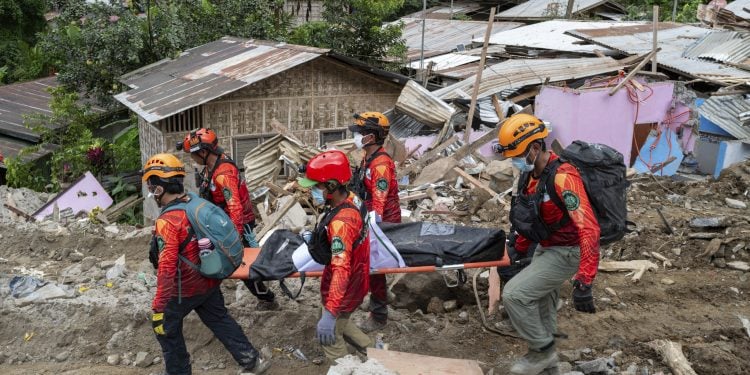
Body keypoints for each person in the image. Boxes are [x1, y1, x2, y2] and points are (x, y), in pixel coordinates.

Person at [143, 153, 270, 375]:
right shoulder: (193, 201)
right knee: (219, 319)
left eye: (151, 185)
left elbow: (166, 267)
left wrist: (159, 306)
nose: (150, 190)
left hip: (184, 290)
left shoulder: (168, 221)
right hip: (208, 279)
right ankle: (253, 360)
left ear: (159, 188)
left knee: (165, 330)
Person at [494, 114, 600, 375]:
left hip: (568, 252)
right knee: (543, 307)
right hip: (546, 246)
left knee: (515, 296)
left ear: (535, 147)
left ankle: (541, 351)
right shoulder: (530, 177)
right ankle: (550, 366)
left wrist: (584, 280)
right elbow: (536, 218)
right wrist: (517, 248)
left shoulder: (564, 178)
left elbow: (589, 229)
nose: (515, 162)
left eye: (518, 155)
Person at [177, 128, 277, 309]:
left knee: (242, 265)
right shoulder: (211, 168)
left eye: (193, 155)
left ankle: (267, 298)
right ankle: (215, 301)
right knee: (214, 261)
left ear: (203, 151)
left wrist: (235, 237)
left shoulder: (223, 174)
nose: (193, 159)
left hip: (235, 225)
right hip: (221, 223)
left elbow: (235, 207)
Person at [297, 150, 372, 362]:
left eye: (315, 186)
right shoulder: (352, 199)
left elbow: (341, 268)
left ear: (331, 186)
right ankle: (375, 351)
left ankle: (344, 367)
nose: (311, 191)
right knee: (338, 319)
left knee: (329, 336)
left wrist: (331, 313)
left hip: (345, 284)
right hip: (356, 277)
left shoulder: (341, 222)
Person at [347, 111, 400, 333]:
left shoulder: (380, 165)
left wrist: (372, 227)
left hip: (382, 223)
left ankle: (379, 315)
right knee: (371, 268)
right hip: (370, 217)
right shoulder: (367, 158)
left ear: (372, 136)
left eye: (360, 133)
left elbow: (379, 200)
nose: (356, 136)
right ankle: (380, 296)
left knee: (373, 267)